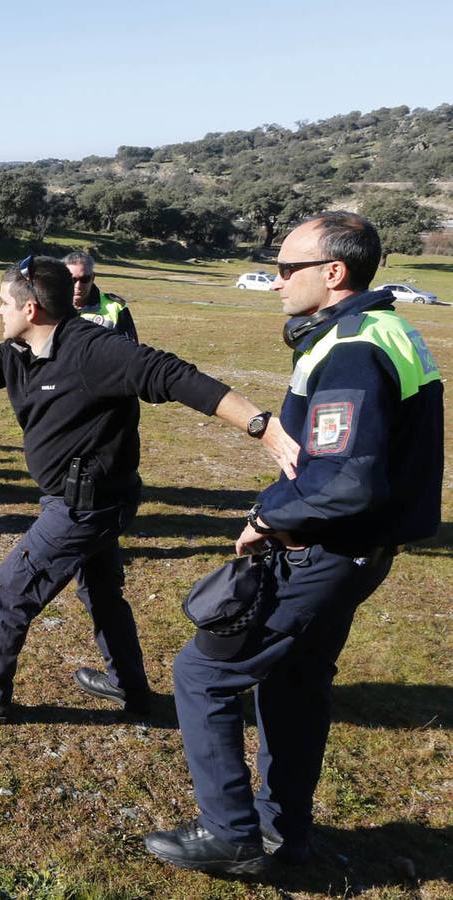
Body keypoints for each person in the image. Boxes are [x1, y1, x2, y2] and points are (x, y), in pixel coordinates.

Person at [0, 255, 296, 725]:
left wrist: (261, 425)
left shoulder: (93, 350)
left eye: (3, 303)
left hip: (86, 506)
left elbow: (172, 375)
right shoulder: (20, 353)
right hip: (87, 500)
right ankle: (128, 686)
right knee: (102, 593)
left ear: (30, 310)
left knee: (10, 590)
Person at [144, 212, 443, 878]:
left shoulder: (352, 349)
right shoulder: (385, 330)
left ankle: (231, 836)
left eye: (286, 269)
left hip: (324, 549)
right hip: (359, 551)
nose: (276, 282)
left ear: (333, 273)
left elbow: (348, 480)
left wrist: (266, 521)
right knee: (294, 685)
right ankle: (284, 836)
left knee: (203, 673)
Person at [62, 251, 136, 341]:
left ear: (93, 278)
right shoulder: (51, 307)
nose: (78, 286)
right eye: (72, 279)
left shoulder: (116, 308)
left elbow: (130, 349)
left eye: (84, 279)